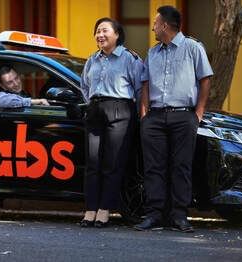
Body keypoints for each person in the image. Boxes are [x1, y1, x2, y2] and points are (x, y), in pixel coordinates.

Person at [135, 5, 213, 232]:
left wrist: (198, 112)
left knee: (181, 167)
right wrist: (144, 114)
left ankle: (180, 216)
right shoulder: (152, 53)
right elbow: (145, 83)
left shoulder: (192, 47)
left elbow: (205, 79)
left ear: (165, 26)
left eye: (155, 24)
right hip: (155, 118)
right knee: (153, 168)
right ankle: (154, 215)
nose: (152, 28)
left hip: (184, 116)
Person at [80, 17, 143, 228]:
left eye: (105, 30)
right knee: (92, 163)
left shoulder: (130, 59)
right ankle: (90, 210)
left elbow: (140, 89)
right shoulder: (92, 60)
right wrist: (91, 104)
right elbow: (84, 86)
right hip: (95, 110)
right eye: (97, 31)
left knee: (112, 164)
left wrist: (136, 115)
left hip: (120, 110)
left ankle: (104, 210)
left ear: (117, 34)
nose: (100, 35)